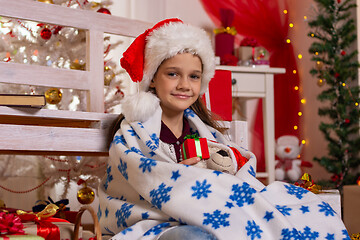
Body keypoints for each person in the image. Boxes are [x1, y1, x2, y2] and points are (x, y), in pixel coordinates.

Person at [98, 18, 349, 240]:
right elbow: (137, 178)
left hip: (212, 213)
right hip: (159, 223)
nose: (185, 85)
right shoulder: (133, 133)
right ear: (153, 77)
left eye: (194, 76)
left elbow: (236, 170)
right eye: (173, 74)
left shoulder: (205, 132)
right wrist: (183, 178)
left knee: (306, 209)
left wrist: (220, 171)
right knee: (192, 237)